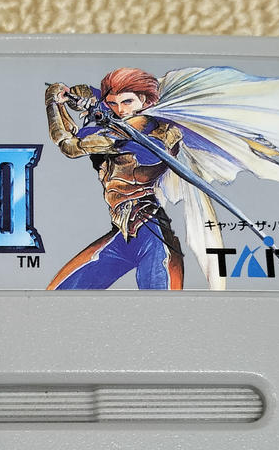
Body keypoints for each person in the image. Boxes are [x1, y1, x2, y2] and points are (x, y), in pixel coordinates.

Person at [45, 67, 185, 289]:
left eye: (128, 102)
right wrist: (72, 95)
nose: (120, 110)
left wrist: (53, 104)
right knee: (58, 293)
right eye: (113, 104)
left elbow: (69, 145)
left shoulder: (149, 137)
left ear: (145, 101)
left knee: (161, 305)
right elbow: (92, 95)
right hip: (122, 235)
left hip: (153, 238)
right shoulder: (118, 119)